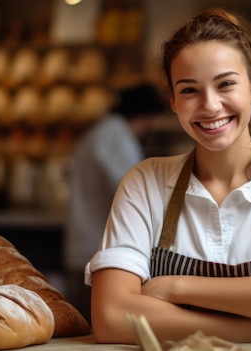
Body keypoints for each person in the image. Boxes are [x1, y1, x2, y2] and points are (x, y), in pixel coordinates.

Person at [86, 8, 251, 344]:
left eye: (226, 83)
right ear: (172, 100)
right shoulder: (145, 183)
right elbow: (111, 318)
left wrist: (177, 287)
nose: (210, 105)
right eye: (189, 90)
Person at [65, 82, 167, 323]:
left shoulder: (107, 132)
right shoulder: (114, 136)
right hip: (96, 251)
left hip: (91, 247)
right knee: (93, 329)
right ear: (145, 115)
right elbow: (131, 192)